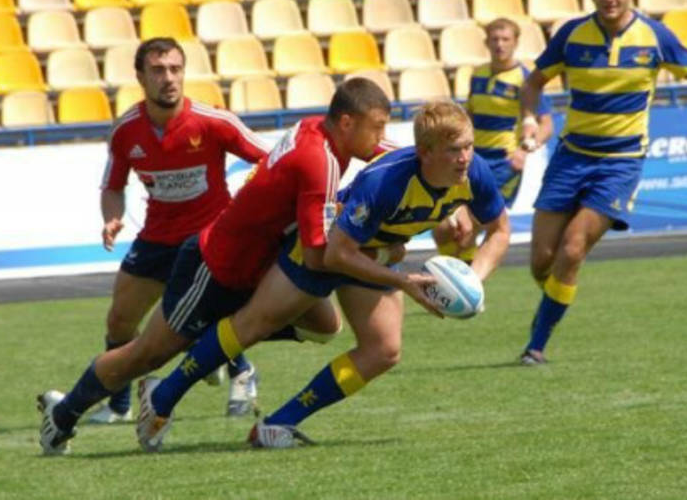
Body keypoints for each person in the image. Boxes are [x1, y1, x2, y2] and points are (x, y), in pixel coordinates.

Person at [37, 78, 394, 455]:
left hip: (258, 265)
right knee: (147, 354)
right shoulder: (318, 162)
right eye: (377, 127)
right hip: (216, 267)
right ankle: (63, 414)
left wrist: (422, 155)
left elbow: (380, 151)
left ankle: (211, 345)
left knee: (324, 324)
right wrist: (382, 258)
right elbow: (318, 257)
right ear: (346, 123)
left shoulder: (319, 129)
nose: (381, 137)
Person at [137, 101, 511, 450]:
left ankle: (279, 424)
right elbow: (337, 253)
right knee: (254, 324)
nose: (466, 157)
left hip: (375, 254)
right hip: (325, 249)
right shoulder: (385, 182)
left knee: (384, 351)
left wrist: (473, 280)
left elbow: (500, 230)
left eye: (468, 147)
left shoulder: (473, 172)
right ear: (425, 152)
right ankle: (163, 397)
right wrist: (401, 279)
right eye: (455, 150)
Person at [516, 0, 687, 365]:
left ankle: (536, 345)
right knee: (542, 261)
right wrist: (528, 117)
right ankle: (555, 300)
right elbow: (534, 82)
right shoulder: (571, 35)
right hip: (571, 157)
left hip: (620, 162)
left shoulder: (654, 36)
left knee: (572, 250)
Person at [87, 37, 269, 424]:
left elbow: (273, 160)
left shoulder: (214, 121)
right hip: (157, 238)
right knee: (119, 321)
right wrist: (111, 218)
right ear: (140, 77)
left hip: (209, 239)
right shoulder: (125, 131)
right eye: (158, 70)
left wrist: (252, 207)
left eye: (175, 69)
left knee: (205, 315)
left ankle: (242, 371)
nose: (168, 78)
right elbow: (113, 187)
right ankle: (119, 405)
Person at [432, 18, 554, 261]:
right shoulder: (478, 74)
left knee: (469, 224)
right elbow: (469, 117)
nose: (500, 44)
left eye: (505, 39)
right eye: (495, 39)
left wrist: (524, 150)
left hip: (502, 163)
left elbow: (547, 124)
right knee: (442, 227)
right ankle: (461, 275)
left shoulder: (525, 79)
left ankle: (463, 278)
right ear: (486, 42)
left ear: (516, 42)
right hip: (470, 159)